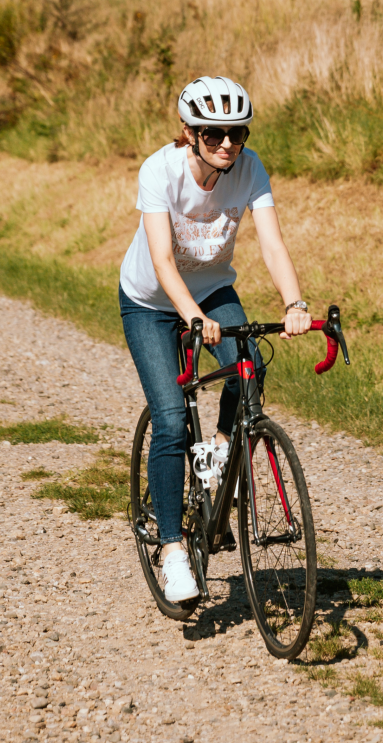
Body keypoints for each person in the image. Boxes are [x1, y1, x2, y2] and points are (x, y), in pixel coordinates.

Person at [119, 74, 312, 604]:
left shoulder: (249, 170)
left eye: (237, 133)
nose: (227, 143)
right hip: (151, 301)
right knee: (172, 417)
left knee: (249, 368)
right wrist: (190, 317)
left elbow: (272, 244)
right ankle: (173, 550)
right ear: (188, 132)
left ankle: (221, 453)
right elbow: (161, 260)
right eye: (212, 133)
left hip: (213, 290)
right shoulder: (159, 171)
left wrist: (295, 304)